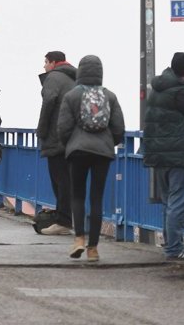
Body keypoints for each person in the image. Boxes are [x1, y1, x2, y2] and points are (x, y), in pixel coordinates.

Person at [56, 55, 126, 263]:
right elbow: (119, 128)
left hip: (77, 151)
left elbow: (63, 128)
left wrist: (70, 144)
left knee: (77, 196)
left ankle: (79, 239)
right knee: (97, 198)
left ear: (80, 72)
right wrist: (108, 142)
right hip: (102, 153)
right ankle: (93, 249)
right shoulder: (110, 96)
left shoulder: (71, 96)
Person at [144, 52, 184, 262]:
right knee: (180, 203)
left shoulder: (159, 89)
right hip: (180, 156)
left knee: (170, 203)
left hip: (161, 155)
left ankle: (172, 245)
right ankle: (174, 248)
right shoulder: (180, 92)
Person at [36, 51, 78, 235]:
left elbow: (48, 102)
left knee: (60, 181)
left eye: (46, 62)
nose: (44, 66)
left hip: (57, 136)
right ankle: (69, 220)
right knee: (69, 180)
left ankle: (63, 221)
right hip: (74, 137)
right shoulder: (75, 78)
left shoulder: (53, 78)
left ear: (53, 63)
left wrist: (42, 130)